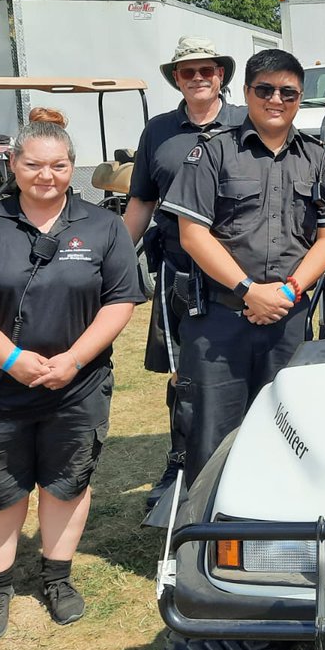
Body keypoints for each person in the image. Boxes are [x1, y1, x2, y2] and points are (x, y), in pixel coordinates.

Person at [0, 108, 145, 641]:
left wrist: (73, 359)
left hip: (77, 388)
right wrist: (12, 359)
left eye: (57, 165)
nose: (45, 175)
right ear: (14, 163)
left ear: (72, 166)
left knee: (66, 485)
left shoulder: (102, 227)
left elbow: (120, 300)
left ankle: (57, 579)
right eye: (33, 165)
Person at [162, 49, 325, 485]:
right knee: (212, 435)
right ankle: (206, 537)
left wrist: (288, 291)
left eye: (288, 92)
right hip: (220, 320)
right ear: (245, 92)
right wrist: (249, 291)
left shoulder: (317, 159)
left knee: (290, 429)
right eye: (264, 89)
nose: (276, 99)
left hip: (288, 317)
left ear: (300, 98)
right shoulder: (213, 153)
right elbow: (193, 235)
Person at [123, 36, 246, 511]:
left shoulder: (246, 120)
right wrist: (109, 260)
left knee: (241, 370)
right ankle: (180, 458)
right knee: (183, 375)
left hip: (238, 271)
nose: (197, 78)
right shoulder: (158, 130)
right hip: (180, 271)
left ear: (221, 75)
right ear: (176, 78)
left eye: (206, 70)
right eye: (187, 71)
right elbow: (141, 201)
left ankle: (240, 457)